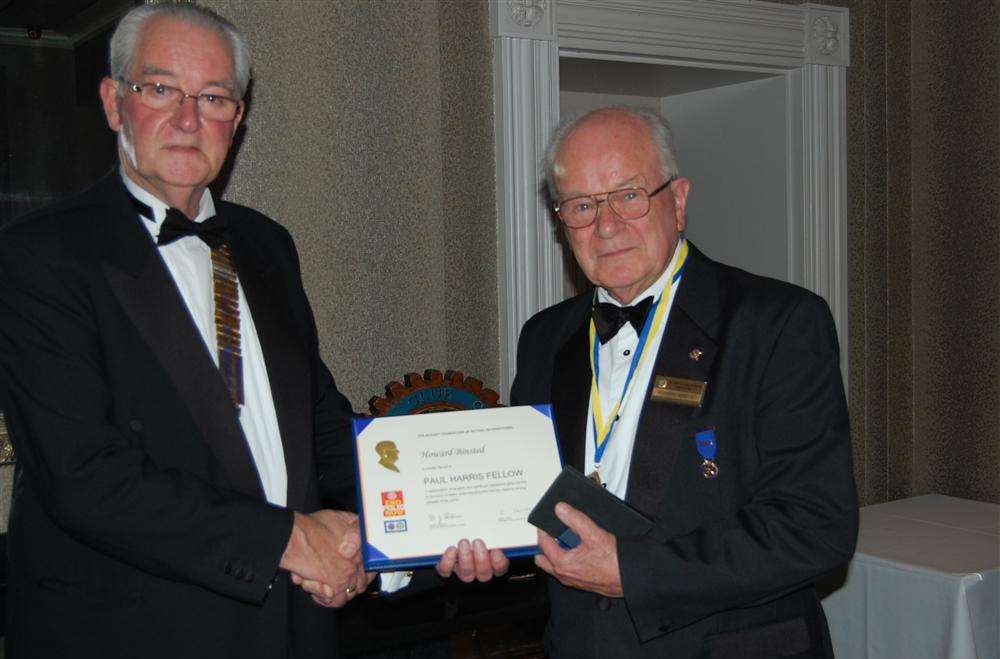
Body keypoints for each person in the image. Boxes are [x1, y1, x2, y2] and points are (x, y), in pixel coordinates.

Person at [0, 4, 372, 657]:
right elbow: (85, 475)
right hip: (129, 632)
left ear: (238, 119)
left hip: (290, 625)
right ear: (115, 103)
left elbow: (318, 425)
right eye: (161, 88)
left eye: (213, 96)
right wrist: (287, 538)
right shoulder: (39, 254)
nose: (187, 118)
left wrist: (372, 533)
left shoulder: (267, 246)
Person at [510, 106, 858, 657]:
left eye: (628, 195)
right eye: (581, 205)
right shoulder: (544, 338)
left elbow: (816, 527)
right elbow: (525, 501)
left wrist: (632, 571)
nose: (606, 225)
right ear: (561, 223)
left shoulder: (779, 323)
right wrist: (465, 548)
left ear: (678, 200)